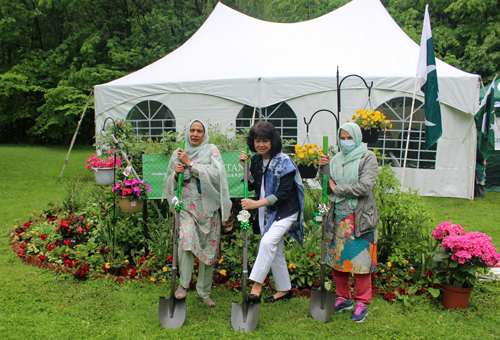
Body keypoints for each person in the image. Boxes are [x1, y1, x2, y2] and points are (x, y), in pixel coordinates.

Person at [163, 120, 232, 307]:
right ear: (187, 132)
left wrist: (190, 164)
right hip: (186, 208)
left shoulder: (211, 150)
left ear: (204, 134)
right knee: (186, 238)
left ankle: (204, 292)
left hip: (208, 210)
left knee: (209, 249)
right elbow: (168, 180)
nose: (195, 134)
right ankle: (184, 285)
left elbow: (219, 175)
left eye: (199, 131)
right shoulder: (178, 152)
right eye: (192, 130)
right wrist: (176, 174)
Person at [318, 122, 378, 323]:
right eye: (342, 138)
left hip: (360, 220)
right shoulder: (335, 160)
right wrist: (322, 169)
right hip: (338, 218)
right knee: (337, 262)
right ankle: (344, 298)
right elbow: (326, 185)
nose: (345, 142)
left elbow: (364, 186)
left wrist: (337, 189)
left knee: (361, 264)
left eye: (349, 137)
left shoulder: (367, 157)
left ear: (358, 137)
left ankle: (362, 303)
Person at [239, 121, 304, 303]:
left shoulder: (285, 162)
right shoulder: (257, 160)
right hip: (266, 211)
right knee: (276, 250)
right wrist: (244, 166)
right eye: (257, 140)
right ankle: (284, 290)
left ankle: (256, 285)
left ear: (273, 141)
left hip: (285, 211)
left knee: (267, 242)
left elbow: (283, 194)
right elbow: (251, 183)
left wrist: (255, 204)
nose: (260, 145)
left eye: (265, 141)